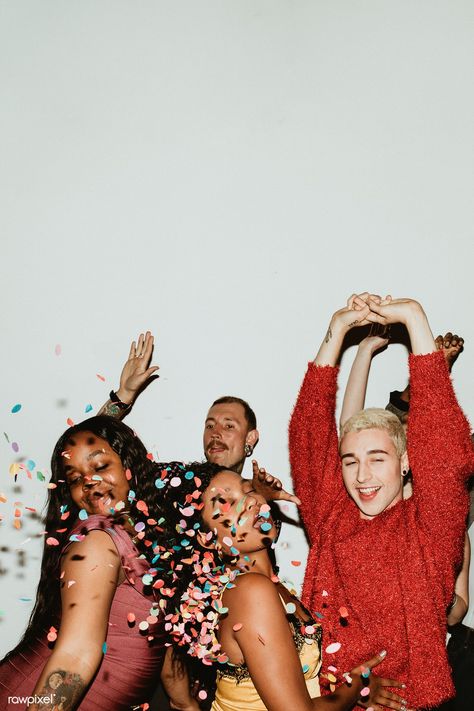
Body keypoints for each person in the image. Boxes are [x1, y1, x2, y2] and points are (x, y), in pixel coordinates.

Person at [289, 293, 473, 709]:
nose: (362, 475)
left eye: (377, 458)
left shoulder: (430, 530)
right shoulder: (331, 519)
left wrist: (413, 317)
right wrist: (336, 331)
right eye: (350, 461)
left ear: (406, 462)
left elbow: (444, 449)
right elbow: (309, 437)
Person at [156, 461, 407, 711]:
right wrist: (355, 687)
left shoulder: (270, 584)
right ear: (206, 539)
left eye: (248, 490)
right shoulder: (249, 591)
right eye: (227, 503)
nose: (251, 502)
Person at [0, 416, 198, 711]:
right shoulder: (97, 541)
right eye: (76, 478)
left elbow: (160, 636)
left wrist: (185, 704)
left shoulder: (146, 533)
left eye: (100, 467)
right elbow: (75, 658)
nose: (89, 482)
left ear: (129, 464)